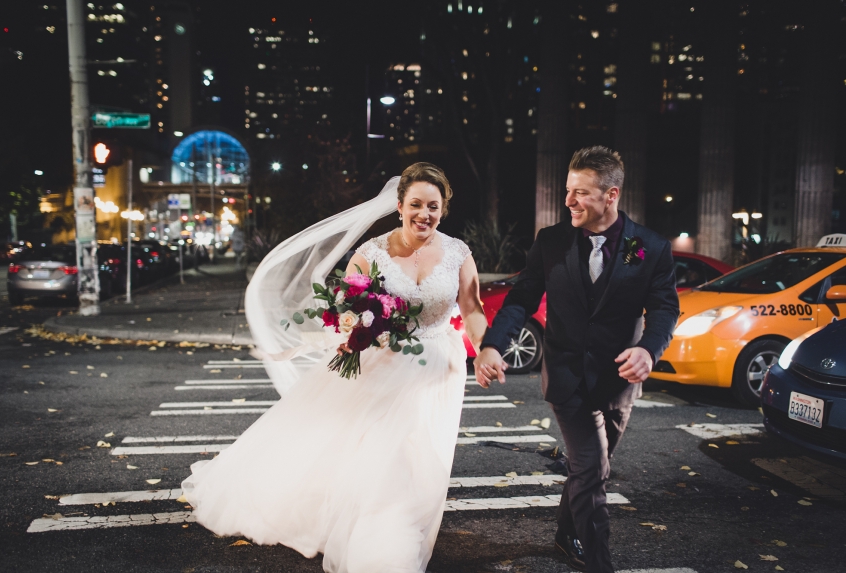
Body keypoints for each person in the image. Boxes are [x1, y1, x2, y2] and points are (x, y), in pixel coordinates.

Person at [182, 163, 488, 573]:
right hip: (381, 365)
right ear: (399, 206)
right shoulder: (370, 254)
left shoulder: (458, 253)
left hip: (436, 368)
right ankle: (381, 538)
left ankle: (400, 517)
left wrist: (486, 349)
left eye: (433, 206)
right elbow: (346, 312)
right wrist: (358, 329)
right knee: (385, 454)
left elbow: (472, 311)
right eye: (415, 204)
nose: (424, 214)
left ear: (443, 209)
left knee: (422, 456)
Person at [475, 146, 680, 573]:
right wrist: (493, 344)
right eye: (568, 191)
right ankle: (599, 563)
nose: (568, 201)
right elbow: (521, 299)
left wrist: (648, 349)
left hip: (619, 380)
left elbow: (663, 309)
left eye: (580, 193)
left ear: (611, 195)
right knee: (592, 468)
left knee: (589, 471)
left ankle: (565, 535)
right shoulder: (551, 242)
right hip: (566, 377)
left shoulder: (647, 247)